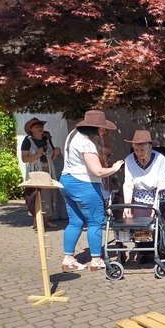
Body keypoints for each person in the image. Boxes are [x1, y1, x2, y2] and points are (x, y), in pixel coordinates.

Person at [59, 110, 123, 271]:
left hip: (66, 181)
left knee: (75, 222)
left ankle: (68, 258)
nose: (104, 131)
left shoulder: (73, 135)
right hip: (84, 184)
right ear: (94, 128)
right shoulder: (86, 143)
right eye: (102, 128)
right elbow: (98, 171)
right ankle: (96, 260)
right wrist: (115, 168)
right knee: (96, 221)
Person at [121, 130, 165, 250]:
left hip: (160, 191)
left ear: (150, 148)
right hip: (141, 193)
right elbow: (128, 184)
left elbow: (161, 184)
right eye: (136, 150)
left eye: (142, 150)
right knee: (140, 219)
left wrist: (156, 204)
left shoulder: (159, 158)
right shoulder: (129, 160)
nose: (138, 153)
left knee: (160, 215)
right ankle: (144, 251)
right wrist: (127, 206)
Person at [21, 118, 59, 228]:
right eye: (37, 126)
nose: (40, 128)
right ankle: (36, 221)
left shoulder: (46, 140)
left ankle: (46, 220)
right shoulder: (27, 141)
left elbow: (51, 158)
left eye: (41, 126)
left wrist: (56, 154)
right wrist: (37, 155)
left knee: (48, 194)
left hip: (48, 169)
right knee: (36, 195)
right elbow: (24, 159)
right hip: (35, 170)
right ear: (31, 130)